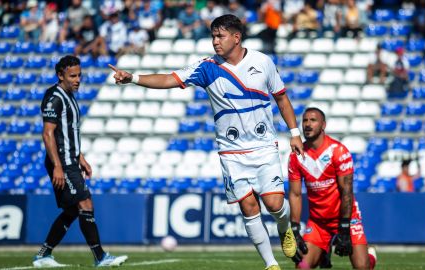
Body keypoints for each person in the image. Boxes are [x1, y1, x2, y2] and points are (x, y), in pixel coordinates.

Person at [109, 14, 303, 270]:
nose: (215, 41)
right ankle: (270, 265)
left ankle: (284, 227)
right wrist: (133, 78)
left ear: (236, 37)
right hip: (232, 153)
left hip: (264, 147)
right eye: (213, 36)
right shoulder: (206, 67)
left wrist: (294, 132)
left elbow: (281, 98)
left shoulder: (263, 62)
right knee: (248, 207)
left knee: (275, 205)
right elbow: (170, 79)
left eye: (220, 36)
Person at [34, 55, 127, 267]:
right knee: (85, 203)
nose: (78, 80)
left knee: (72, 210)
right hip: (62, 162)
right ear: (60, 75)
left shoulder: (70, 97)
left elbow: (69, 133)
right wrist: (58, 165)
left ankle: (43, 255)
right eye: (72, 76)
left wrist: (81, 157)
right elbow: (48, 134)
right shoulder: (54, 97)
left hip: (70, 160)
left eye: (79, 75)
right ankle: (100, 257)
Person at [288, 107, 377, 269]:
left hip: (346, 217)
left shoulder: (338, 151)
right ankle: (324, 249)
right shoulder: (296, 155)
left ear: (323, 125)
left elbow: (347, 192)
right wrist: (294, 229)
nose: (307, 124)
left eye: (313, 120)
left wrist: (344, 227)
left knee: (362, 267)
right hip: (318, 222)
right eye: (305, 120)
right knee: (302, 267)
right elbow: (295, 195)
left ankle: (370, 254)